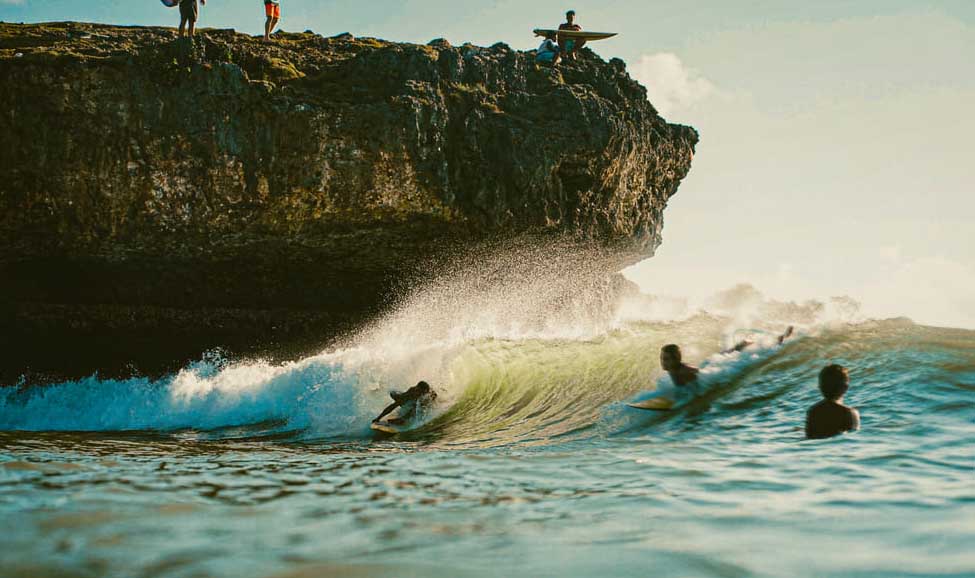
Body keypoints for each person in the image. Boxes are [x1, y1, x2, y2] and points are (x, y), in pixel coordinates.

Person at [660, 326, 795, 387]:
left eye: (666, 359)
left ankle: (782, 339)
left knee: (751, 354)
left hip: (714, 369)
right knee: (733, 351)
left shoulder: (682, 371)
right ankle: (742, 345)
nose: (662, 362)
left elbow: (704, 377)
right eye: (661, 358)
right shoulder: (673, 370)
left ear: (675, 359)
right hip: (711, 364)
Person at [805, 364, 860, 439]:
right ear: (845, 387)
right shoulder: (848, 412)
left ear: (820, 387)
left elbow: (808, 437)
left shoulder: (813, 412)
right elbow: (854, 440)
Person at [373, 381, 438, 425]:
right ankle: (402, 418)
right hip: (408, 398)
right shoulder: (411, 392)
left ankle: (402, 419)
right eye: (417, 390)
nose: (418, 392)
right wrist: (378, 418)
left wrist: (403, 418)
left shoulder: (429, 394)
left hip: (426, 404)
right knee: (395, 396)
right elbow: (393, 405)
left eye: (420, 391)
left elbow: (432, 400)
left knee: (417, 406)